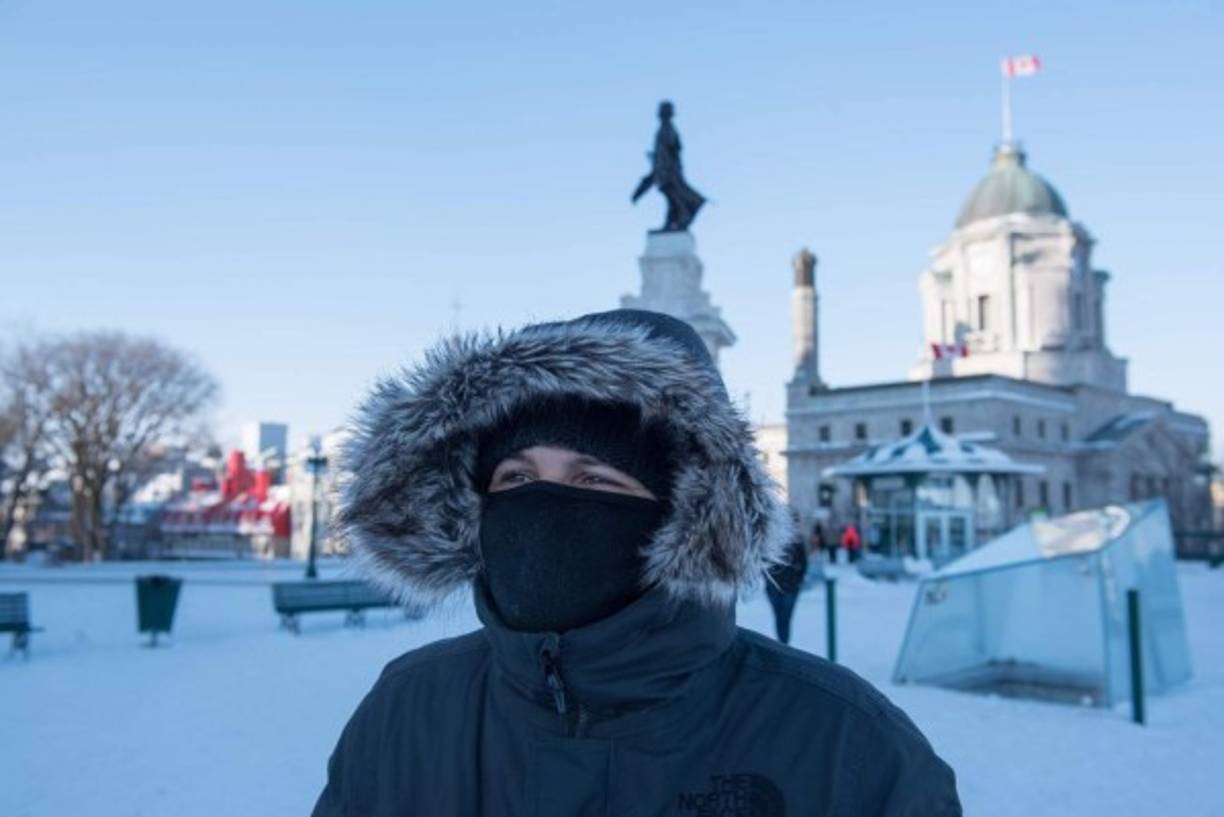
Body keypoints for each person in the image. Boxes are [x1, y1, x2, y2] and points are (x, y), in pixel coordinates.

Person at [314, 309, 961, 816]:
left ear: (684, 514)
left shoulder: (848, 746)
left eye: (593, 480)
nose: (543, 508)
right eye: (515, 477)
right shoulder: (409, 708)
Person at [765, 528, 808, 644]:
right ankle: (783, 643)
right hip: (775, 587)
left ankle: (783, 643)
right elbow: (765, 563)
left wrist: (797, 581)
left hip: (790, 588)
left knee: (785, 618)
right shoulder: (772, 540)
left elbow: (803, 565)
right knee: (779, 617)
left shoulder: (797, 543)